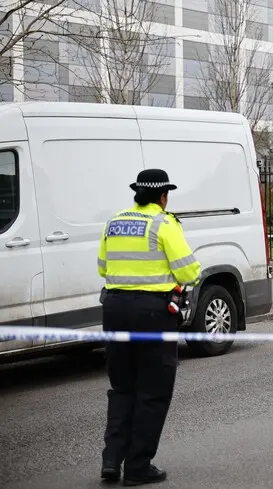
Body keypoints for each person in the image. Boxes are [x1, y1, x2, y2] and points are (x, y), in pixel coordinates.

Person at [97, 169, 201, 486]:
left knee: (122, 388)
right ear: (162, 196)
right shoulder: (163, 223)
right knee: (153, 392)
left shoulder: (115, 221)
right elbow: (188, 272)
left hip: (114, 310)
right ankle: (138, 466)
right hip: (153, 314)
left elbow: (102, 267)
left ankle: (112, 460)